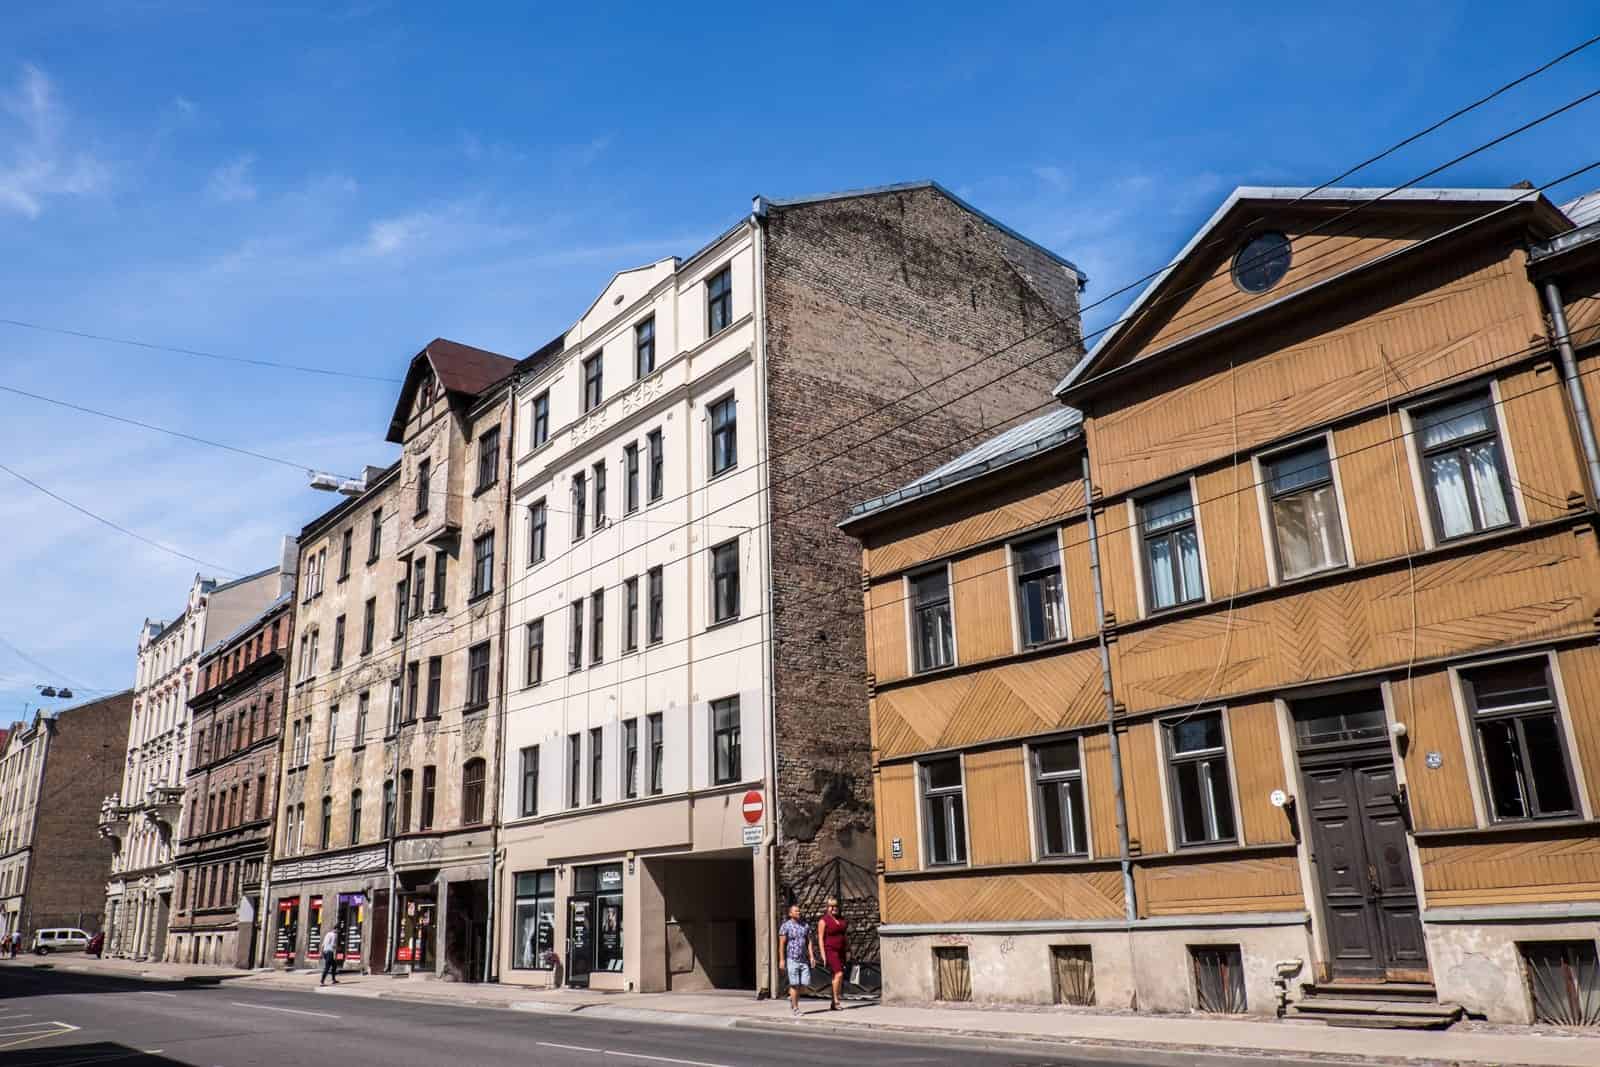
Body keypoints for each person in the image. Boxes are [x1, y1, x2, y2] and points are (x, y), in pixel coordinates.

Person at [776, 903, 815, 1016]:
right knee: (794, 984)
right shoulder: (785, 926)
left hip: (803, 959)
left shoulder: (805, 925)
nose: (799, 912)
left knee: (805, 983)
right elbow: (782, 944)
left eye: (799, 911)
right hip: (792, 958)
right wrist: (782, 960)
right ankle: (796, 1008)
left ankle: (792, 998)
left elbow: (809, 942)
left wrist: (812, 956)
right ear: (790, 913)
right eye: (796, 911)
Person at [816, 897, 849, 1011]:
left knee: (838, 976)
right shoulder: (823, 920)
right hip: (830, 950)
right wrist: (823, 955)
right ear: (827, 907)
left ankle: (833, 1002)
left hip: (841, 951)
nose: (833, 908)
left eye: (835, 906)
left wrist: (849, 949)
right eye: (831, 906)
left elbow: (844, 935)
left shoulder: (842, 919)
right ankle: (836, 1001)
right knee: (838, 974)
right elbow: (820, 938)